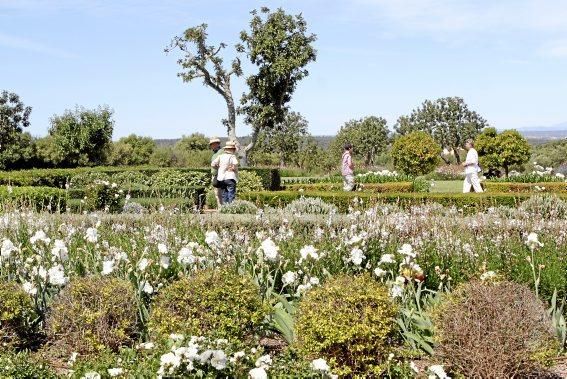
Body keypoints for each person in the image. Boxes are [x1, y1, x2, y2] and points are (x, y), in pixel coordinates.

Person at [209, 137, 224, 208]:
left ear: (217, 144)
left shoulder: (221, 152)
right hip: (215, 176)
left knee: (221, 193)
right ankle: (220, 208)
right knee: (217, 194)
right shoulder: (214, 154)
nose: (211, 146)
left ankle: (223, 208)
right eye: (211, 144)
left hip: (220, 175)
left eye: (212, 144)